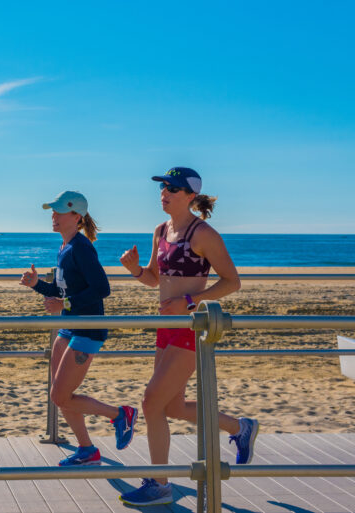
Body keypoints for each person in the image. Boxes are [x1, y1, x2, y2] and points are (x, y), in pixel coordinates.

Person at [118, 167, 258, 506]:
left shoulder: (203, 233)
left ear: (190, 196)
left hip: (191, 328)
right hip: (166, 328)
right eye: (163, 187)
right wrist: (135, 269)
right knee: (174, 406)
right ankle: (240, 427)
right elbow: (155, 279)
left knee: (151, 402)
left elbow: (231, 281)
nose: (164, 192)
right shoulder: (160, 230)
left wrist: (191, 301)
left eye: (173, 188)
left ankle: (159, 483)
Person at [21, 191, 138, 467]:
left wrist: (65, 305)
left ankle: (120, 414)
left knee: (60, 395)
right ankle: (87, 450)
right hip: (70, 327)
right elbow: (62, 291)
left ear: (76, 217)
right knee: (62, 397)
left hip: (87, 328)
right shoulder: (65, 247)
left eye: (59, 212)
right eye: (53, 211)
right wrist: (36, 284)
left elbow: (102, 289)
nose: (54, 216)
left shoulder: (81, 248)